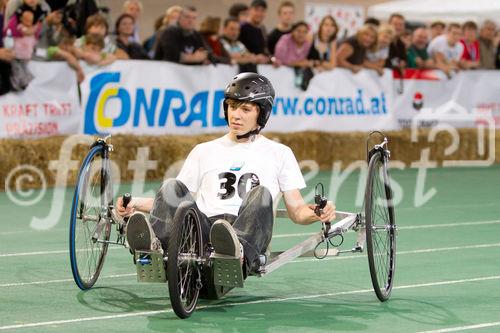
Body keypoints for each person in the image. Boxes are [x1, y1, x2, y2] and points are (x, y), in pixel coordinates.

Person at [116, 73, 336, 277]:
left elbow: (297, 211)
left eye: (245, 109)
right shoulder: (204, 150)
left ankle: (235, 252)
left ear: (262, 113)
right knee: (170, 186)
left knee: (261, 194)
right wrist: (133, 204)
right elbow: (172, 202)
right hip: (203, 229)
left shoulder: (280, 153)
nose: (235, 115)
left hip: (244, 229)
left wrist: (319, 212)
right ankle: (156, 250)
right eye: (231, 107)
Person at [238, 0, 270, 66]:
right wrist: (253, 57)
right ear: (250, 10)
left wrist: (271, 59)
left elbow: (263, 51)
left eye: (262, 11)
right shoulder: (241, 27)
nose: (259, 13)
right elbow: (236, 48)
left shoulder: (261, 30)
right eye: (257, 10)